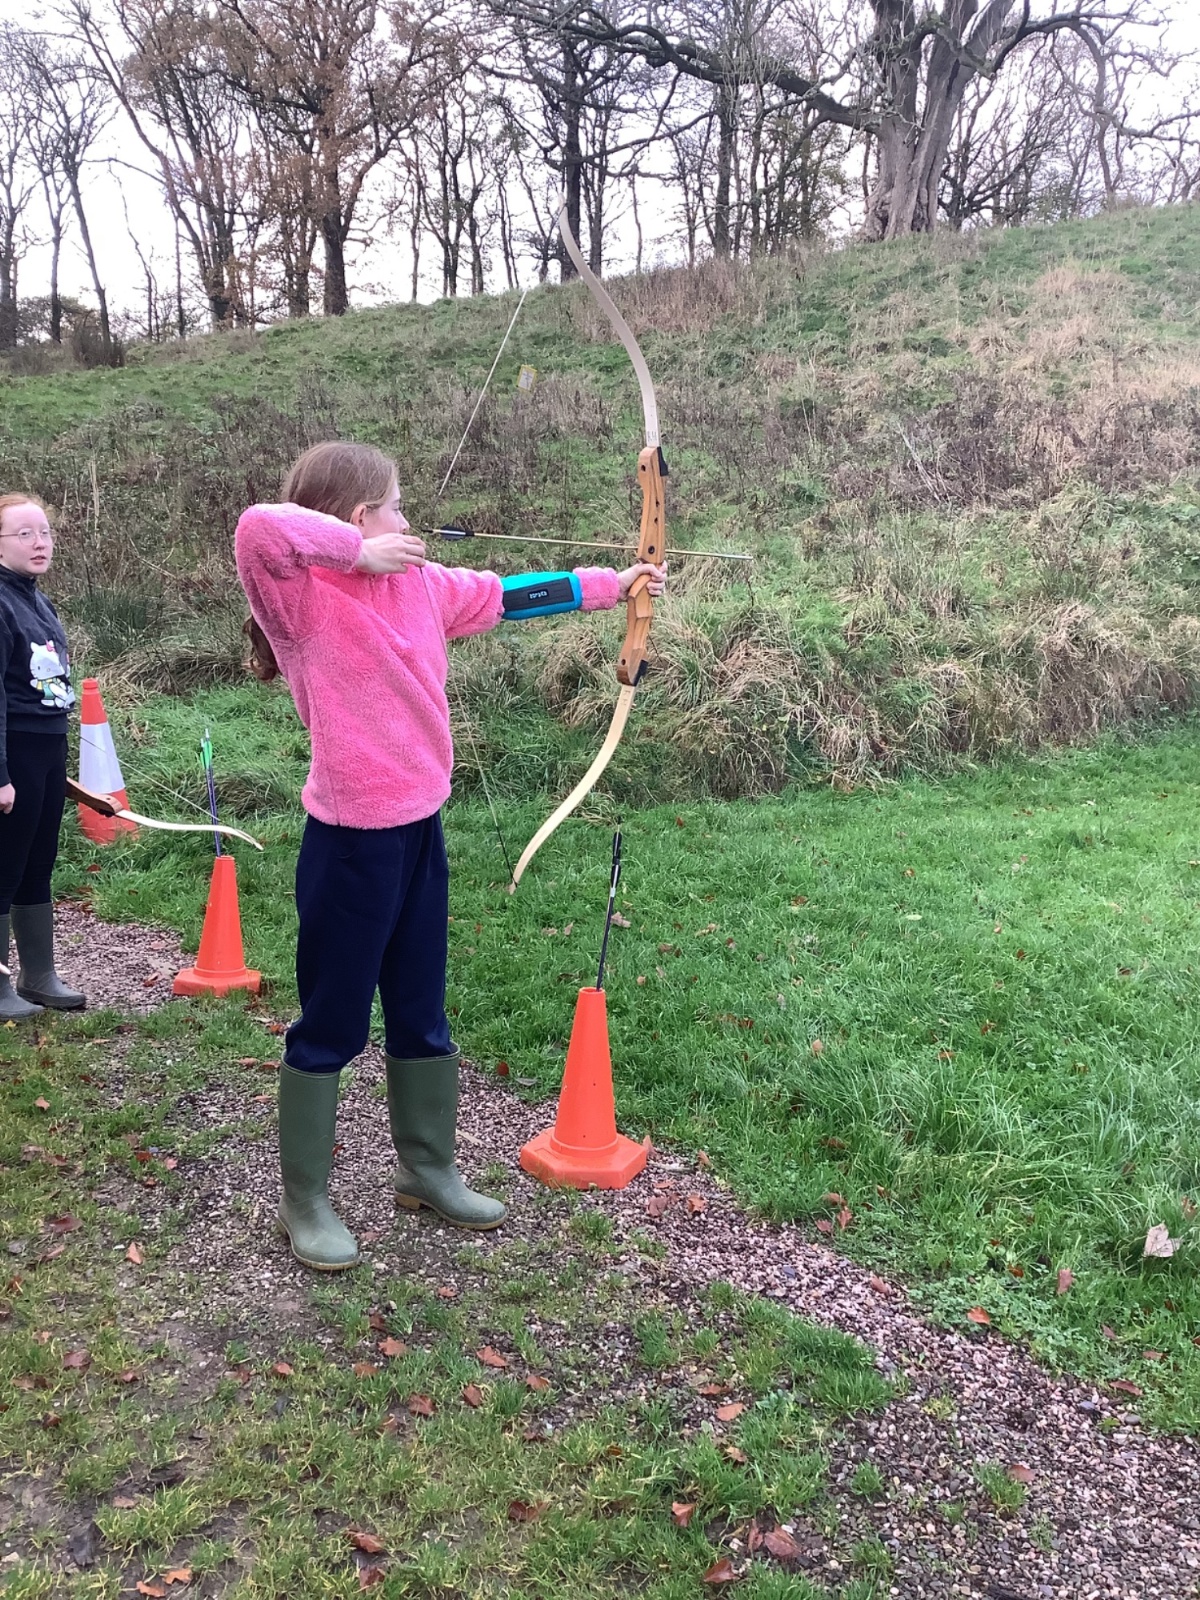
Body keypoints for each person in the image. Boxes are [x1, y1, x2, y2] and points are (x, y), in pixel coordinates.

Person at [236, 440, 666, 1272]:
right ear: (360, 518)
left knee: (421, 1011)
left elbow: (506, 595)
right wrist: (354, 552)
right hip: (349, 845)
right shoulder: (303, 594)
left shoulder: (421, 585)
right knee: (331, 1023)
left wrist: (615, 585)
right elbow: (259, 526)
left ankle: (426, 1169)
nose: (409, 520)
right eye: (396, 505)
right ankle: (305, 1201)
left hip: (419, 833)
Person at [0, 493, 85, 1018]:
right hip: (14, 753)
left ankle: (38, 975)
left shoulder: (37, 600)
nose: (40, 543)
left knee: (38, 861)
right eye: (24, 534)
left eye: (45, 532)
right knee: (4, 866)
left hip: (47, 750)